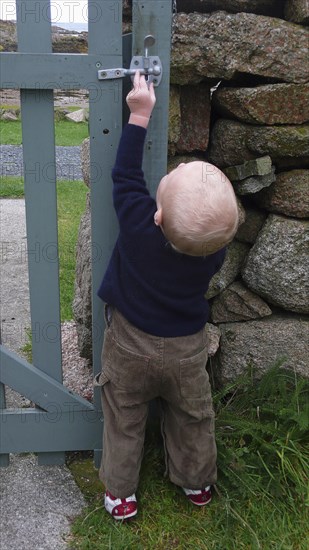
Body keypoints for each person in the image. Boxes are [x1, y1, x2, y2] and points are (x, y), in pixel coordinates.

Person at [95, 71, 239, 521]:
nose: (173, 168)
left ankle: (120, 494)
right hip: (185, 352)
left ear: (156, 215)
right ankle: (197, 481)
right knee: (193, 416)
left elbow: (124, 176)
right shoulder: (211, 253)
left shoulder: (139, 226)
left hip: (129, 345)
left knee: (124, 414)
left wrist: (139, 113)